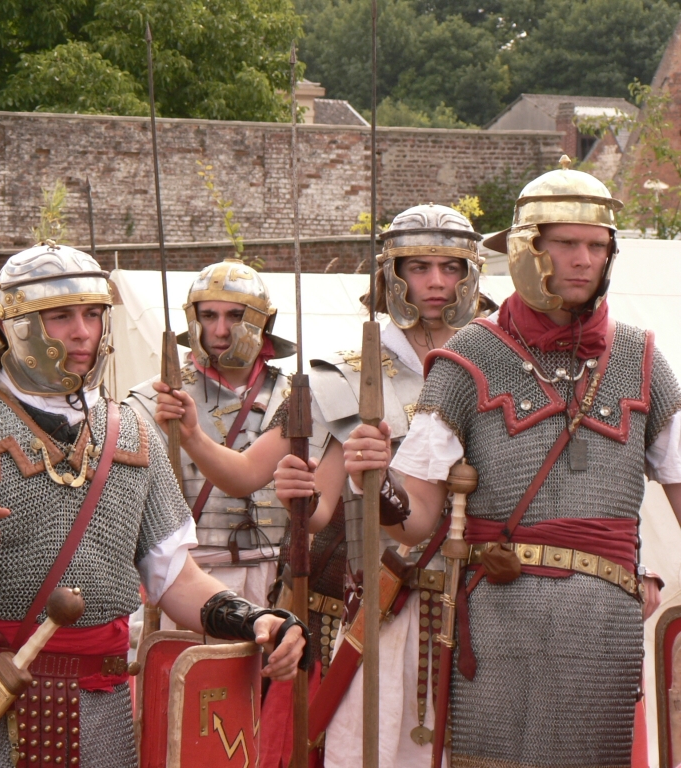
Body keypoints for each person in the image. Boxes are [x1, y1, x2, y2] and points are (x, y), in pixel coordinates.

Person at [0, 242, 309, 768]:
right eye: (60, 316)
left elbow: (175, 577)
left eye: (92, 314)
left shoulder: (133, 432)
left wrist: (254, 618)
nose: (82, 332)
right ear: (14, 325)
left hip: (99, 712)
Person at [345, 160, 681, 768]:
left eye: (597, 247)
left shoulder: (643, 361)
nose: (583, 260)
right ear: (529, 250)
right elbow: (416, 518)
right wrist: (377, 485)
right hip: (500, 623)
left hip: (602, 630)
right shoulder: (469, 357)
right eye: (567, 244)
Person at [155, 204, 493, 768]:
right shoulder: (346, 374)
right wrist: (200, 441)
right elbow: (264, 483)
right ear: (393, 275)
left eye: (451, 267)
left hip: (489, 600)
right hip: (385, 605)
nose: (437, 282)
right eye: (419, 267)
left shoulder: (501, 363)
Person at [126, 258, 307, 612]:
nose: (221, 330)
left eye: (236, 316)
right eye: (209, 316)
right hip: (186, 579)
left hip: (278, 577)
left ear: (262, 321)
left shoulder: (296, 398)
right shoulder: (150, 402)